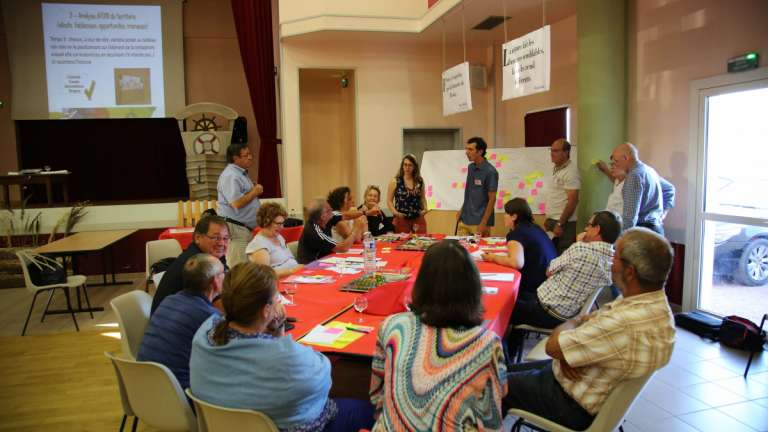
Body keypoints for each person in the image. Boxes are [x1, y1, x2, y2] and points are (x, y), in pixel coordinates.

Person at [503, 228, 676, 430]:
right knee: (502, 371)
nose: (610, 263)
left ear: (630, 272)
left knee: (487, 385)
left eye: (615, 257)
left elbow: (553, 346)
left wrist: (571, 330)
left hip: (570, 402)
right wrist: (567, 352)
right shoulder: (658, 311)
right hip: (582, 384)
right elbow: (572, 340)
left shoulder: (624, 322)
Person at [190, 262, 375, 432]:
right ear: (266, 310)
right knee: (367, 410)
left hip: (219, 425)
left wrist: (275, 332)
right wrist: (279, 333)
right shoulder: (286, 358)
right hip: (288, 427)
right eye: (277, 298)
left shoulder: (205, 332)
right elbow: (324, 376)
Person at [370, 241, 507, 431]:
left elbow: (376, 395)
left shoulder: (393, 326)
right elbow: (492, 420)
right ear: (474, 287)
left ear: (421, 284)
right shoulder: (487, 344)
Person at [507, 211, 621, 355]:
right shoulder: (612, 261)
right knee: (516, 296)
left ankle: (506, 358)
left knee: (505, 307)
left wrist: (579, 243)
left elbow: (549, 271)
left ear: (597, 229)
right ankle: (513, 350)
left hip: (546, 310)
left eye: (589, 225)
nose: (586, 229)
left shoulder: (580, 248)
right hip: (567, 314)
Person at [138, 254, 224, 390]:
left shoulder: (169, 300)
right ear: (215, 282)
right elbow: (223, 359)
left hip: (144, 386)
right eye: (223, 273)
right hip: (179, 393)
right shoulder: (208, 316)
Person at [151, 215, 229, 314]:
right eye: (216, 237)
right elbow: (218, 305)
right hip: (175, 319)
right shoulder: (197, 264)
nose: (221, 243)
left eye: (225, 238)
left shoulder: (211, 255)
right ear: (197, 238)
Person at [482, 198, 556, 294]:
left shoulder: (517, 234)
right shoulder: (535, 227)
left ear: (514, 217)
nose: (504, 217)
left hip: (534, 289)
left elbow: (516, 263)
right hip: (549, 281)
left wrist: (492, 257)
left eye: (506, 214)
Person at [610, 142, 676, 235]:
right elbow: (669, 188)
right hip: (656, 230)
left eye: (616, 161)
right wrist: (661, 214)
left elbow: (629, 219)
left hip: (643, 232)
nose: (615, 164)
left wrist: (621, 239)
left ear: (625, 158)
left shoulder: (634, 176)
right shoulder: (648, 170)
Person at [217, 142, 263, 266]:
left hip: (244, 228)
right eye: (246, 155)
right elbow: (236, 203)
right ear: (235, 158)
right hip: (237, 228)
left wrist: (251, 191)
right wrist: (254, 192)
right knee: (239, 267)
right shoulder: (231, 175)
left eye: (250, 154)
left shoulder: (240, 174)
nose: (250, 157)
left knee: (246, 266)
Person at [297, 197, 366, 264]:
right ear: (323, 216)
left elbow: (346, 215)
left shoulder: (326, 217)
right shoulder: (315, 232)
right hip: (311, 265)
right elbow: (342, 248)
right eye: (329, 209)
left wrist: (365, 212)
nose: (332, 209)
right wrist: (356, 228)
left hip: (326, 259)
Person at [246, 202, 303, 277]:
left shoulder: (278, 236)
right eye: (278, 223)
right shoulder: (258, 245)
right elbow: (265, 275)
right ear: (266, 222)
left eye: (282, 223)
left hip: (295, 277)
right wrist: (292, 271)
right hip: (281, 281)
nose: (282, 227)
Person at [544, 138, 580, 255]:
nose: (552, 153)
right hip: (553, 220)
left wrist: (560, 223)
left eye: (555, 151)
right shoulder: (556, 168)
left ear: (566, 152)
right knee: (551, 254)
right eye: (551, 150)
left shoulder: (570, 172)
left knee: (563, 255)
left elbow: (573, 201)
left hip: (564, 223)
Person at [457, 137, 498, 237]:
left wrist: (484, 222)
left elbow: (492, 199)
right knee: (460, 246)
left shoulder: (490, 171)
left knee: (478, 247)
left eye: (470, 149)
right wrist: (461, 210)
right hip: (465, 218)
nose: (467, 152)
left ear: (480, 152)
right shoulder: (471, 167)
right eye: (466, 149)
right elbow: (469, 192)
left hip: (480, 222)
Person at [386, 154, 428, 234]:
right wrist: (395, 213)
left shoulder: (419, 181)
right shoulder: (395, 181)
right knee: (402, 240)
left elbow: (422, 197)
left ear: (414, 167)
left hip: (417, 218)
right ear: (402, 166)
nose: (407, 167)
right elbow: (389, 201)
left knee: (421, 239)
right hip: (401, 218)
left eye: (410, 165)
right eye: (405, 165)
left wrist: (425, 208)